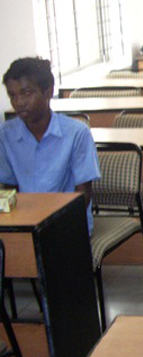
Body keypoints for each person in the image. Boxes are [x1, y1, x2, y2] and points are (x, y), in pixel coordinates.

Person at [0, 57, 100, 233]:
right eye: (12, 95)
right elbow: (10, 189)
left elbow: (83, 195)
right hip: (26, 223)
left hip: (68, 223)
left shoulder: (77, 133)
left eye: (27, 93)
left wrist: (53, 228)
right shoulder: (5, 134)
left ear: (48, 92)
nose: (19, 102)